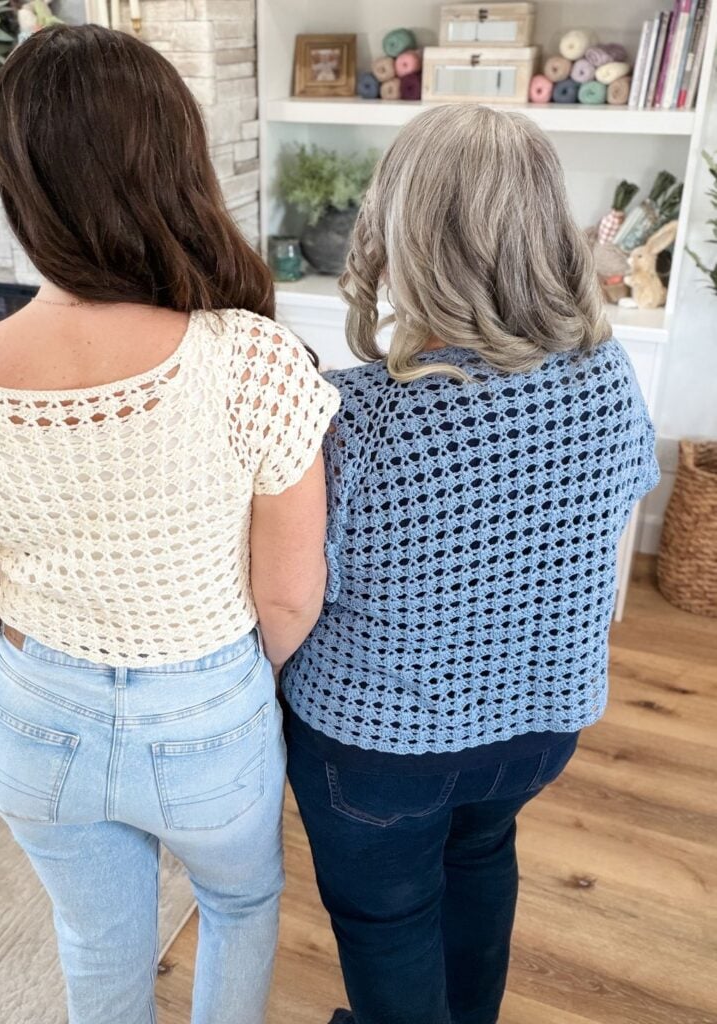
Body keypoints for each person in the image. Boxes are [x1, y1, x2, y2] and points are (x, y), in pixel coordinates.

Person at [0, 25, 339, 1024]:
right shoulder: (257, 360)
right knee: (239, 904)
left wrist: (24, 677)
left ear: (20, 184)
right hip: (208, 714)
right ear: (175, 167)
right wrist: (227, 685)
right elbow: (288, 593)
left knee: (98, 941)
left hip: (32, 716)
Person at [282, 104, 660, 1024]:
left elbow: (290, 594)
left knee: (387, 918)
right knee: (480, 856)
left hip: (374, 747)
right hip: (537, 728)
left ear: (398, 231)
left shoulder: (351, 418)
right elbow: (610, 514)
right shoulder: (606, 377)